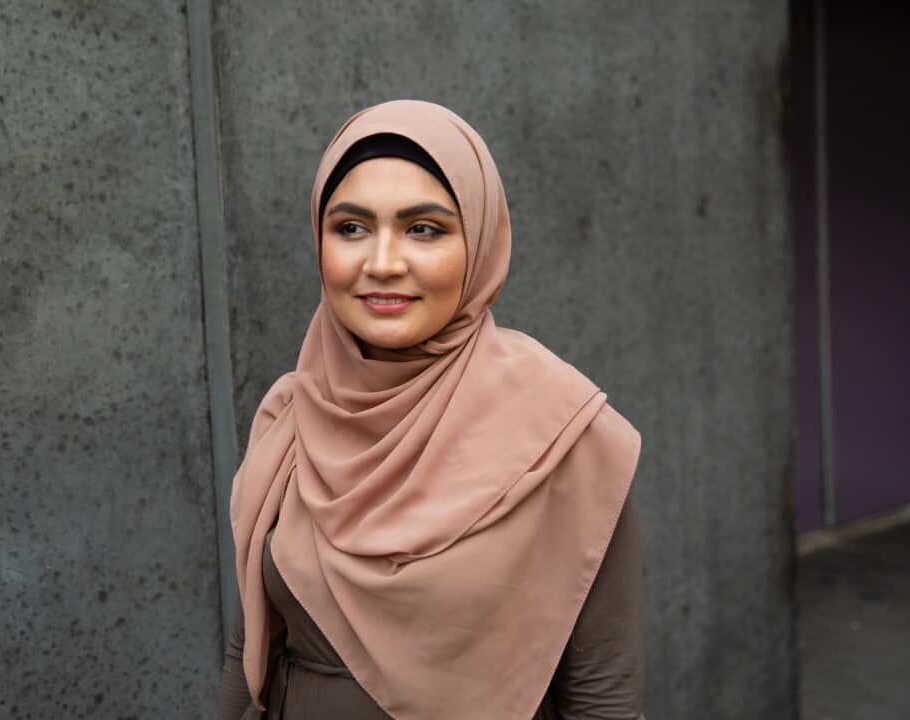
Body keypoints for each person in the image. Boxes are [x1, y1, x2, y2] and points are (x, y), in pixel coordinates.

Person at [216, 100, 643, 720]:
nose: (383, 263)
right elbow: (247, 650)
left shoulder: (565, 434)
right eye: (351, 228)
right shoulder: (292, 415)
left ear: (480, 241)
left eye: (424, 228)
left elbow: (602, 697)